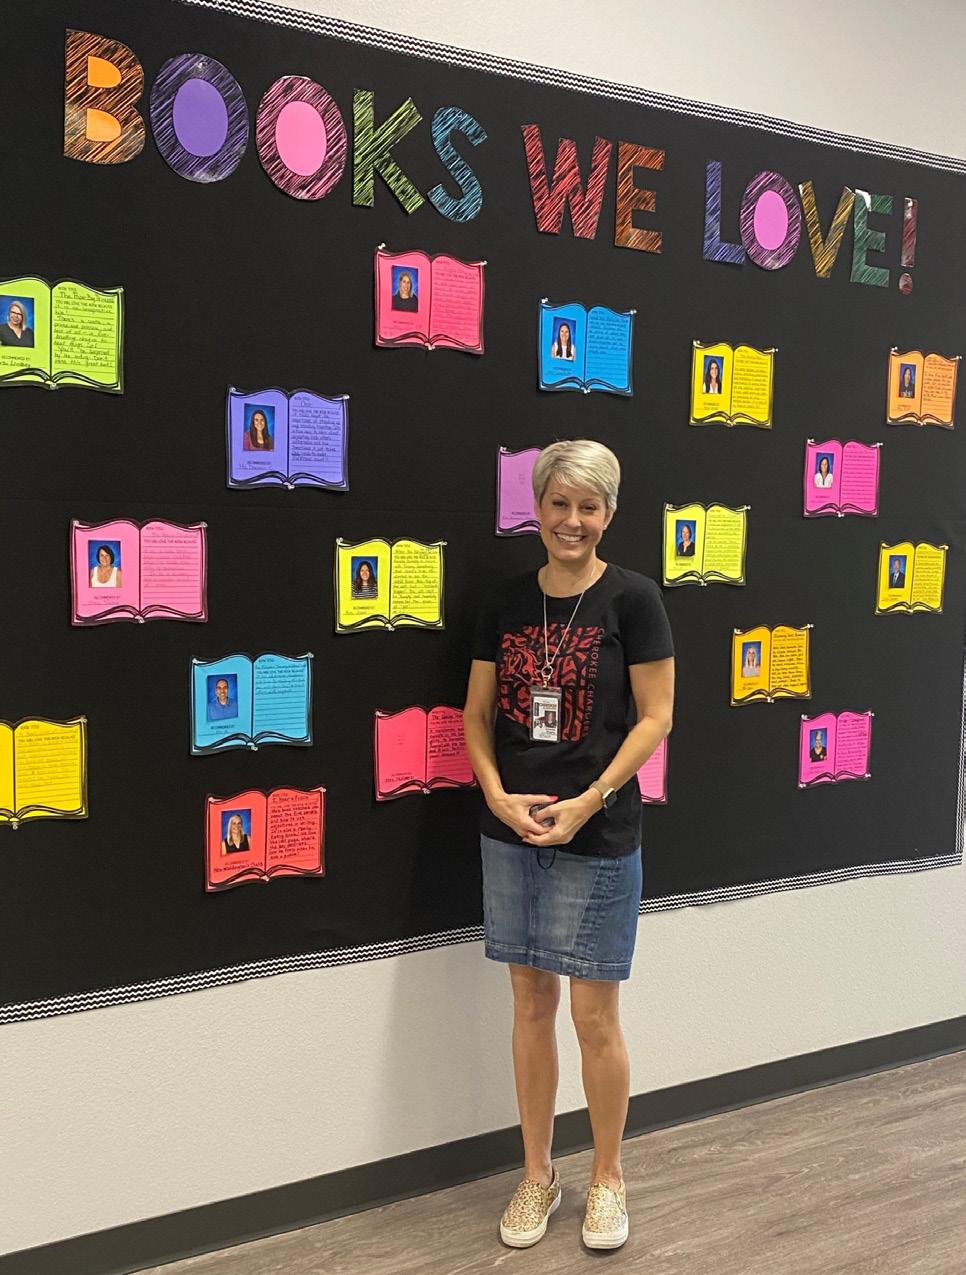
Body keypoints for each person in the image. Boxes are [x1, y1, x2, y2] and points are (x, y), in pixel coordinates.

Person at [464, 438, 674, 1253]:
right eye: (559, 503)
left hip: (598, 830)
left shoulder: (634, 599)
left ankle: (609, 1176)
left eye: (589, 506)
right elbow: (476, 715)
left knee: (594, 1015)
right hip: (513, 830)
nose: (572, 520)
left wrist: (590, 800)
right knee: (529, 1003)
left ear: (609, 513)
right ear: (538, 506)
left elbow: (656, 716)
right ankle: (537, 1174)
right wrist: (494, 793)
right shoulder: (507, 601)